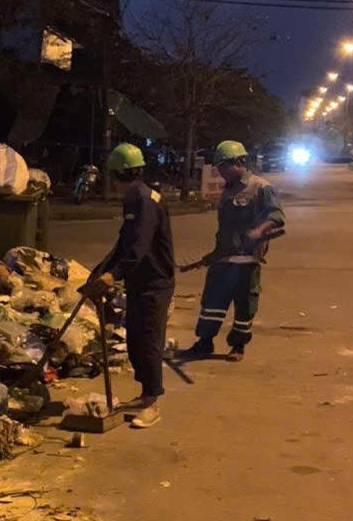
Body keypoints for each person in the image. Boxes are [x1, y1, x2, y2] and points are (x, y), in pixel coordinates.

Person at [84, 143, 175, 428]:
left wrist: (113, 276)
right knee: (136, 340)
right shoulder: (135, 197)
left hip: (154, 282)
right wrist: (101, 270)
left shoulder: (143, 200)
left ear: (119, 174)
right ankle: (145, 395)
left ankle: (152, 403)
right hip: (141, 281)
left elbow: (138, 246)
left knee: (148, 342)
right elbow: (124, 241)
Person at [180, 140, 285, 362]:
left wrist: (258, 232)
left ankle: (238, 346)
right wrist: (214, 253)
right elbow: (225, 228)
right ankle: (204, 342)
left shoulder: (261, 187)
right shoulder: (227, 191)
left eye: (224, 168)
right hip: (224, 258)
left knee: (245, 305)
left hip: (248, 260)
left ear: (239, 162)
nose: (221, 173)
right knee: (211, 303)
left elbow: (277, 216)